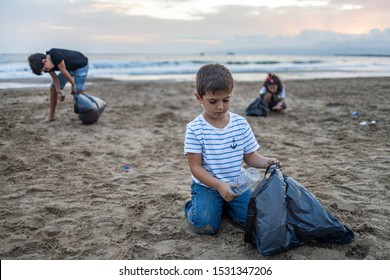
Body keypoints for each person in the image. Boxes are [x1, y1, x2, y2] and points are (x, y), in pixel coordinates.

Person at [184, 64, 282, 235]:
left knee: (253, 220)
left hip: (238, 183)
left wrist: (267, 162)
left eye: (226, 100)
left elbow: (250, 157)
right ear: (199, 98)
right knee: (205, 226)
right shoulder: (195, 129)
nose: (220, 107)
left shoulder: (240, 123)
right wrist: (219, 185)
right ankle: (191, 205)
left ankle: (224, 207)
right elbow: (195, 167)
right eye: (213, 102)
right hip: (208, 186)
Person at [28, 48, 89, 121]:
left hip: (81, 65)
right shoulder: (47, 65)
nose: (47, 71)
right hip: (68, 69)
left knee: (79, 90)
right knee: (53, 88)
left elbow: (63, 70)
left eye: (45, 69)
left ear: (44, 61)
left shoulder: (55, 54)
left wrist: (73, 85)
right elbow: (55, 78)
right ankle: (52, 116)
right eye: (44, 71)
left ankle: (87, 113)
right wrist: (59, 91)